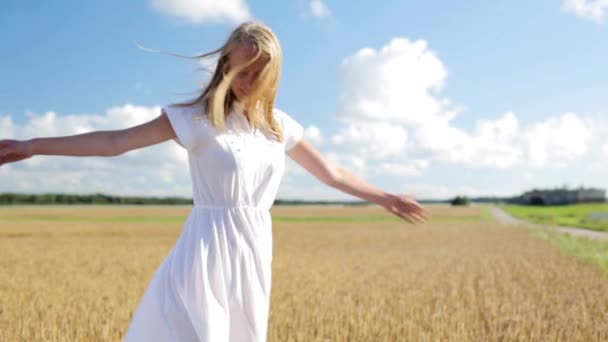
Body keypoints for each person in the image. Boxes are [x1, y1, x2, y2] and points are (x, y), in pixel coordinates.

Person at [0, 21, 428, 342]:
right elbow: (115, 141)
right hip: (206, 250)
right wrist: (33, 145)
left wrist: (384, 196)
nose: (246, 82)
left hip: (254, 251)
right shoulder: (194, 119)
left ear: (273, 75)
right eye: (239, 70)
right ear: (224, 65)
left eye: (257, 73)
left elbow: (331, 174)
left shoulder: (280, 127)